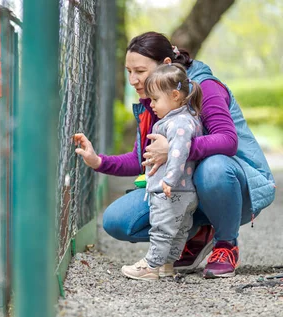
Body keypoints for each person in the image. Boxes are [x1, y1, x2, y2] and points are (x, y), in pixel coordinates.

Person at [73, 32, 275, 279]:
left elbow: (228, 141)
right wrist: (98, 161)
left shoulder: (205, 87)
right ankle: (199, 232)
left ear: (166, 65)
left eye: (139, 71)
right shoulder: (154, 100)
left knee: (213, 168)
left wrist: (176, 149)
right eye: (128, 71)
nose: (132, 80)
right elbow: (143, 158)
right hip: (183, 188)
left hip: (235, 186)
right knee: (117, 220)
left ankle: (226, 244)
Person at [120, 63, 202, 280]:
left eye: (155, 100)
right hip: (183, 191)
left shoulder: (178, 123)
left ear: (175, 95)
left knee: (162, 230)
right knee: (177, 231)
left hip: (171, 190)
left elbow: (178, 153)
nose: (152, 105)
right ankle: (167, 265)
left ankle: (150, 266)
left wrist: (169, 179)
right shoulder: (186, 118)